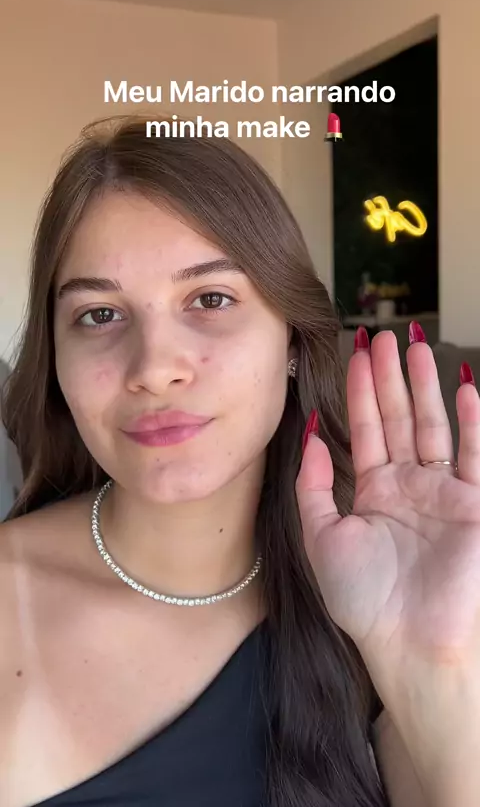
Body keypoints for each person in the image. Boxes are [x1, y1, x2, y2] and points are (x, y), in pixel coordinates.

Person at [1, 115, 479, 807]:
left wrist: (440, 664)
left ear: (292, 342)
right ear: (56, 360)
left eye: (211, 299)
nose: (155, 368)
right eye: (100, 314)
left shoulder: (379, 584)